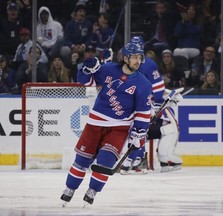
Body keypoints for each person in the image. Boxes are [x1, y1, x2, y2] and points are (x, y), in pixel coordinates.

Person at [60, 41, 153, 207]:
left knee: (105, 161)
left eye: (140, 57)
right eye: (134, 57)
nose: (137, 61)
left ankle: (92, 191)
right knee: (81, 160)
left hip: (119, 128)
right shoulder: (109, 69)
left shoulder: (144, 84)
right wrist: (88, 69)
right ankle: (70, 188)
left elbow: (143, 113)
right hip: (95, 123)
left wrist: (139, 133)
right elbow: (85, 82)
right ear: (125, 57)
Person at [119, 36, 183, 174]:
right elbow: (158, 89)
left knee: (140, 130)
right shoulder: (143, 64)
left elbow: (158, 89)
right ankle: (134, 160)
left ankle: (136, 161)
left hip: (137, 106)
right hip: (135, 105)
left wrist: (155, 104)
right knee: (137, 130)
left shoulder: (144, 64)